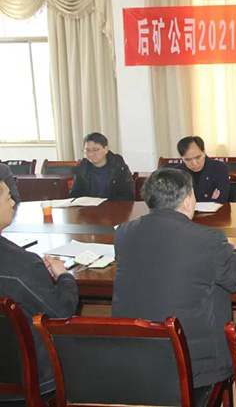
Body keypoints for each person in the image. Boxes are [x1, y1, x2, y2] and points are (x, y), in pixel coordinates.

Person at [111, 168, 236, 402]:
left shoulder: (123, 233)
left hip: (134, 355)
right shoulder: (207, 239)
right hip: (194, 367)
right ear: (189, 200)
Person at [0, 181, 78, 402]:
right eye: (7, 197)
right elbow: (62, 313)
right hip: (32, 381)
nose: (13, 203)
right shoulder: (22, 267)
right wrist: (64, 277)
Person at [69, 132, 135, 201]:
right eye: (87, 150)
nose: (91, 154)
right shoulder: (83, 167)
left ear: (106, 149)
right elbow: (74, 195)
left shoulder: (118, 166)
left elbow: (128, 196)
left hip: (112, 206)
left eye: (95, 150)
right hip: (88, 207)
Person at [175, 136, 229, 202]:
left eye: (198, 157)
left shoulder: (219, 168)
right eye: (188, 159)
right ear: (181, 158)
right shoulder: (177, 173)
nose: (194, 163)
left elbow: (222, 199)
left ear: (204, 152)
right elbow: (174, 201)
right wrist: (210, 199)